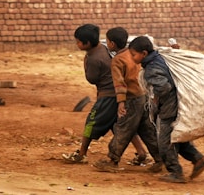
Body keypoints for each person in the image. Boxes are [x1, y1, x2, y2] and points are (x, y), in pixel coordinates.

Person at [128, 36, 204, 183]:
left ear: (144, 53)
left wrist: (155, 97)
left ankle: (175, 172)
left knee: (164, 141)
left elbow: (164, 87)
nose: (132, 57)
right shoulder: (160, 57)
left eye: (134, 54)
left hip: (169, 108)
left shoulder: (151, 69)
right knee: (176, 136)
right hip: (179, 104)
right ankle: (198, 159)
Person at [62, 24, 149, 165]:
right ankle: (141, 152)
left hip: (108, 96)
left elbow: (92, 79)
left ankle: (82, 153)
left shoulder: (93, 58)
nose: (76, 44)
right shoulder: (103, 48)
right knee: (120, 125)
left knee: (91, 121)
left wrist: (86, 62)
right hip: (118, 94)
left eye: (78, 41)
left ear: (87, 43)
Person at [93, 27, 163, 173]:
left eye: (107, 41)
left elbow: (119, 84)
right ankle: (160, 159)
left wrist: (121, 103)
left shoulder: (118, 60)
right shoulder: (133, 53)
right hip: (143, 96)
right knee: (147, 130)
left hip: (131, 99)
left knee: (123, 128)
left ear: (111, 44)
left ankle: (113, 160)